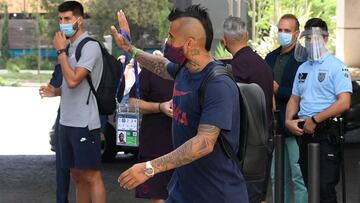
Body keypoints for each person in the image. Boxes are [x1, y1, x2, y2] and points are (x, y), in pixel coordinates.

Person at [111, 5, 249, 202]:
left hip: (216, 194)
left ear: (190, 43)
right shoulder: (185, 70)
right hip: (183, 190)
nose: (168, 42)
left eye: (172, 37)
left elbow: (204, 143)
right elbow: (160, 65)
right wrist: (129, 49)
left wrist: (150, 167)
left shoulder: (218, 84)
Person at [286, 18, 352, 203]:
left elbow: (344, 102)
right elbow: (294, 98)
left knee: (324, 188)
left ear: (325, 38)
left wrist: (315, 120)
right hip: (305, 133)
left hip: (325, 132)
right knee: (310, 186)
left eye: (316, 38)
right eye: (308, 38)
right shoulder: (303, 68)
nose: (311, 42)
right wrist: (288, 120)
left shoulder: (337, 66)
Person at [52, 1, 106, 202]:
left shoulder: (90, 46)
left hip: (85, 123)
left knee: (91, 175)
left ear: (79, 20)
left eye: (67, 18)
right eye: (60, 19)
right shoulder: (70, 47)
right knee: (77, 176)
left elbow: (74, 80)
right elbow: (68, 84)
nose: (62, 23)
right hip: (66, 121)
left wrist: (60, 52)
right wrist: (55, 90)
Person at [222, 16, 273, 203]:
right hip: (263, 137)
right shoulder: (262, 63)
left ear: (224, 41)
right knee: (258, 195)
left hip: (248, 144)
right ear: (247, 35)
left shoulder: (236, 68)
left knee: (246, 196)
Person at [265, 14, 308, 203]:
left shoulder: (305, 58)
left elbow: (305, 92)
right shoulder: (271, 57)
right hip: (274, 125)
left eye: (287, 31)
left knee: (299, 177)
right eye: (280, 30)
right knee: (276, 175)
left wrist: (278, 90)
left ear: (296, 33)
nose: (283, 34)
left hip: (295, 124)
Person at [128, 51, 174, 203]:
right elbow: (133, 103)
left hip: (190, 149)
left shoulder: (198, 70)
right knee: (158, 198)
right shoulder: (154, 69)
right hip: (156, 147)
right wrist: (160, 107)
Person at [39, 64, 71, 203]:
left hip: (83, 119)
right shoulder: (64, 60)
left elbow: (71, 83)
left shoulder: (88, 53)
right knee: (65, 165)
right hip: (65, 116)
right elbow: (54, 86)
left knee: (87, 174)